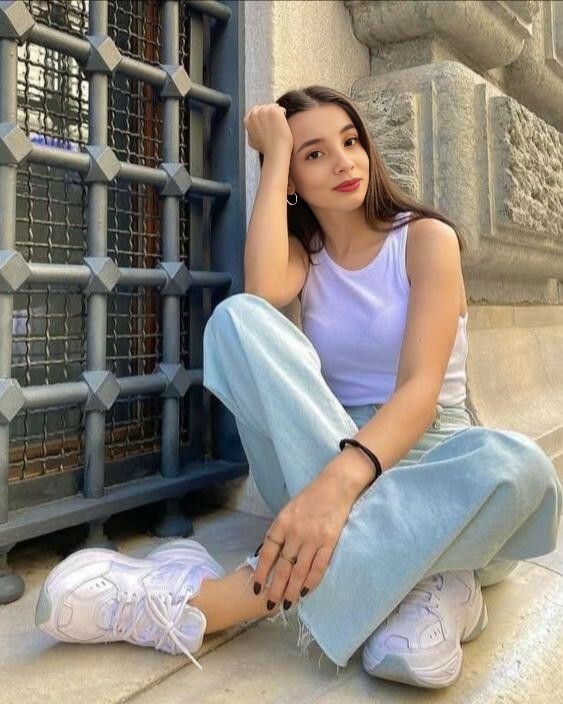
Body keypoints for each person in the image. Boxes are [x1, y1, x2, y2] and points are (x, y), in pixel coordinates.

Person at [34, 86, 561, 689]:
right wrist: (275, 155)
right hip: (321, 443)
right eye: (314, 154)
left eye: (351, 141)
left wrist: (335, 493)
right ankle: (430, 576)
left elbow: (420, 390)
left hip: (430, 458)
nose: (344, 163)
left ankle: (212, 602)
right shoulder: (304, 255)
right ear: (291, 176)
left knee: (522, 468)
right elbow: (260, 291)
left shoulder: (425, 239)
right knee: (237, 321)